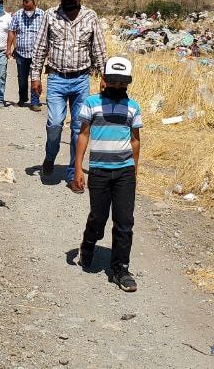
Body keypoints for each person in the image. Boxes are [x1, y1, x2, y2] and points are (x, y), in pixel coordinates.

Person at [71, 56, 141, 292]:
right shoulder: (91, 103)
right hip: (99, 172)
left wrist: (134, 170)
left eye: (123, 83)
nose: (118, 87)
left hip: (124, 173)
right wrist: (78, 168)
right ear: (104, 80)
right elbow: (83, 135)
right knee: (98, 218)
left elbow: (135, 141)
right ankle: (89, 243)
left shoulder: (133, 107)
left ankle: (120, 268)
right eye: (114, 82)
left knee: (124, 222)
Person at [29, 0, 106, 182]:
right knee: (54, 124)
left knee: (78, 128)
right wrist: (35, 77)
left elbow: (98, 48)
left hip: (81, 79)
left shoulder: (90, 16)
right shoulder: (50, 15)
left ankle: (74, 173)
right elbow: (40, 47)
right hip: (56, 78)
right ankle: (50, 156)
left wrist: (104, 75)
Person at [5, 0, 44, 112]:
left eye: (30, 9)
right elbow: (12, 31)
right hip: (21, 53)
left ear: (35, 6)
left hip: (37, 54)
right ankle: (22, 99)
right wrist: (8, 48)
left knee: (35, 77)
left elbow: (47, 33)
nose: (28, 11)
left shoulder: (42, 15)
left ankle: (35, 102)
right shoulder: (18, 14)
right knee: (22, 79)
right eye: (26, 9)